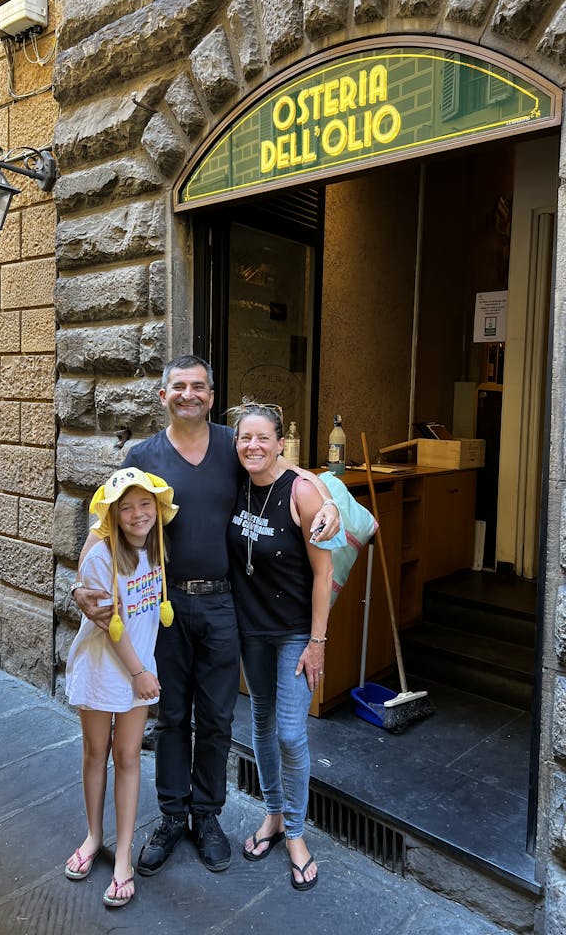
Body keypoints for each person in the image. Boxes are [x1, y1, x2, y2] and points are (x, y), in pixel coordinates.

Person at [72, 354, 339, 878]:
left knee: (216, 720)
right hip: (162, 603)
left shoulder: (232, 445)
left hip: (223, 604)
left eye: (198, 387)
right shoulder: (142, 454)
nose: (188, 394)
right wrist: (83, 582)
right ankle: (172, 815)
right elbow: (105, 516)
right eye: (179, 387)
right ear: (163, 396)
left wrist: (325, 496)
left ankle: (207, 815)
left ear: (212, 397)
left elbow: (284, 471)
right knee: (171, 716)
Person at [227, 402, 333, 891]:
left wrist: (317, 642)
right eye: (245, 438)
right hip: (252, 629)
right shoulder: (238, 480)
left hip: (293, 632)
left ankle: (295, 832)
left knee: (291, 733)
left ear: (279, 443)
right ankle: (272, 815)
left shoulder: (303, 491)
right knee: (262, 724)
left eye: (262, 438)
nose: (253, 446)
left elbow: (323, 572)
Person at [64, 467, 178, 908]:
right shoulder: (100, 557)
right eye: (125, 507)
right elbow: (113, 630)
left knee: (128, 756)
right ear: (111, 515)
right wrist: (140, 674)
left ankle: (124, 855)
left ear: (157, 509)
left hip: (137, 668)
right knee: (96, 753)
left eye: (145, 504)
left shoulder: (158, 549)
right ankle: (94, 837)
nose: (137, 514)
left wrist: (142, 670)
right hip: (105, 669)